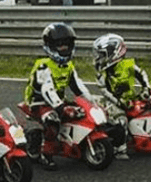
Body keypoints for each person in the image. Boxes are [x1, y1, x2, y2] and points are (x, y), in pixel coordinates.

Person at [23, 22, 98, 168]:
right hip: (39, 102)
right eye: (60, 45)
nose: (64, 48)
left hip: (58, 101)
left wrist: (91, 101)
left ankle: (78, 144)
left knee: (81, 112)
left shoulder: (68, 66)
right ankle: (46, 154)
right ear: (50, 46)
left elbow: (78, 87)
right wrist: (61, 107)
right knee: (53, 121)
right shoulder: (43, 66)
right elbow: (47, 90)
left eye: (66, 45)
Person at [92, 33, 151, 159]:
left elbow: (142, 74)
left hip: (130, 99)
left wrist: (146, 89)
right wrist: (118, 102)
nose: (99, 58)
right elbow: (103, 90)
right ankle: (119, 149)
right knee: (121, 119)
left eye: (102, 54)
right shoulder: (102, 71)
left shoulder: (128, 65)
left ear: (114, 52)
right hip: (112, 102)